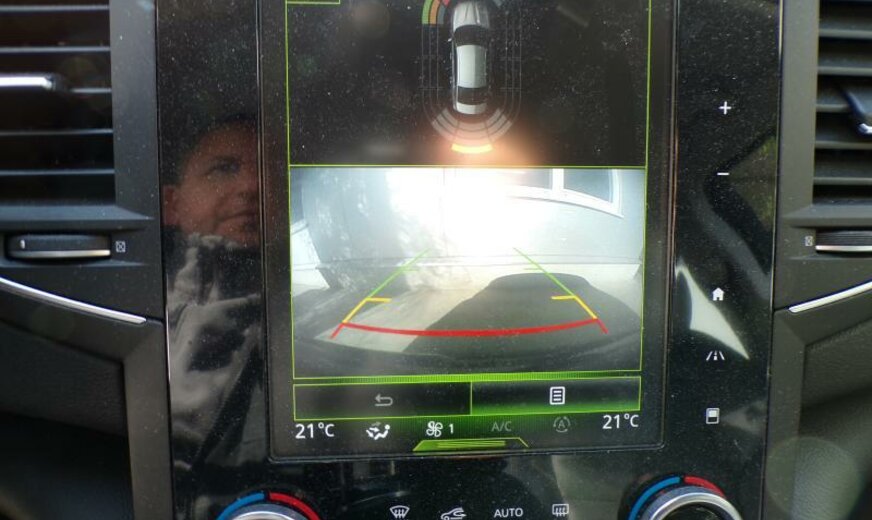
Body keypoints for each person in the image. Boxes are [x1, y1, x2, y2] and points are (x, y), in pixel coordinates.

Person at [162, 116, 266, 481]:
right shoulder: (130, 310)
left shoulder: (327, 312)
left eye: (270, 166)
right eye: (223, 168)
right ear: (171, 203)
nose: (252, 185)